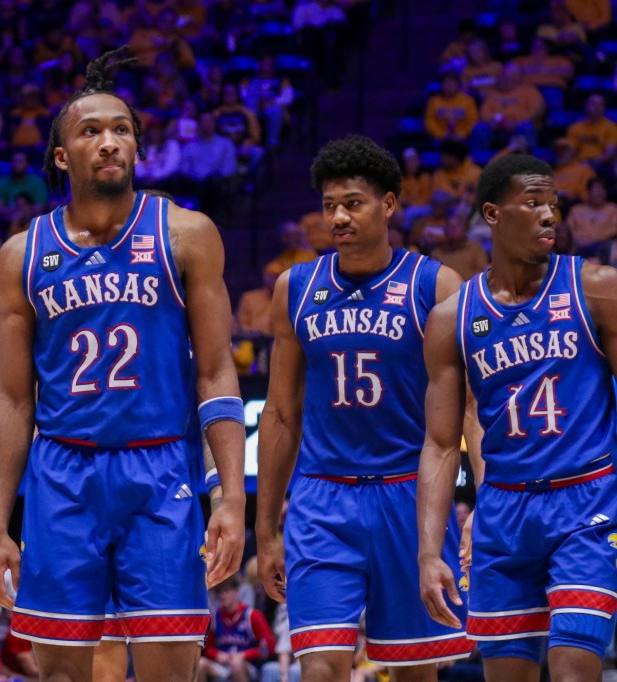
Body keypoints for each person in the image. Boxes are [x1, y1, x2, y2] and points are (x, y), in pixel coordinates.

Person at [0, 47, 246, 682]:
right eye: (90, 131)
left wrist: (232, 497)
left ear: (138, 147)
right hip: (62, 472)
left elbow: (215, 373)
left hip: (159, 470)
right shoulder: (23, 255)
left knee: (168, 670)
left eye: (122, 129)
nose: (109, 142)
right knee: (61, 673)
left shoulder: (186, 233)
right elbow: (15, 398)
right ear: (60, 156)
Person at [256, 135, 474, 680]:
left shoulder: (435, 284)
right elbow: (281, 414)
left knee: (413, 672)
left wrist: (487, 503)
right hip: (323, 497)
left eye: (353, 203)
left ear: (390, 204)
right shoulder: (297, 288)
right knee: (322, 667)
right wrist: (265, 529)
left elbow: (470, 411)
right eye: (330, 206)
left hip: (411, 494)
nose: (339, 217)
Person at [418, 154, 617, 682]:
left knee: (575, 668)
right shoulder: (451, 317)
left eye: (554, 204)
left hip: (586, 503)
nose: (550, 215)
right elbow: (440, 445)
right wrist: (427, 552)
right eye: (533, 203)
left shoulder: (597, 288)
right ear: (492, 213)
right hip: (503, 511)